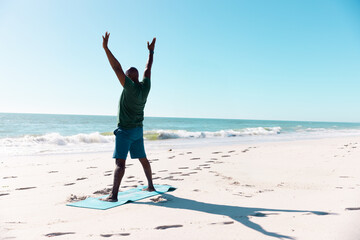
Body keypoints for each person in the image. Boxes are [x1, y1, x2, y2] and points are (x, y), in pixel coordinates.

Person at [102, 31, 156, 202]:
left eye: (125, 75)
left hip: (125, 132)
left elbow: (116, 67)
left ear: (128, 79)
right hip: (138, 131)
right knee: (143, 159)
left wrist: (106, 48)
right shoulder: (145, 87)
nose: (123, 76)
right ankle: (151, 185)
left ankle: (114, 195)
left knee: (120, 164)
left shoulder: (130, 88)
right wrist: (151, 52)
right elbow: (148, 68)